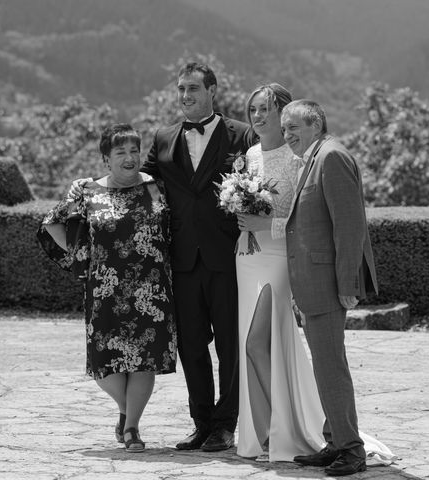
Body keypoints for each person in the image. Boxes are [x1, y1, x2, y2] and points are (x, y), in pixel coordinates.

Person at [37, 123, 177, 453]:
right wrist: (80, 257)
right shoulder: (86, 191)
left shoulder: (157, 187)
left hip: (151, 289)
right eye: (120, 152)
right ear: (105, 159)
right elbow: (52, 223)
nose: (129, 158)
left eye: (134, 151)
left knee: (144, 361)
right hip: (105, 291)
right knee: (105, 367)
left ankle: (131, 428)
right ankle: (126, 409)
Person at [140, 62, 257, 452]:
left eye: (193, 88)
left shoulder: (242, 135)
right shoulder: (162, 137)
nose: (185, 96)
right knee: (191, 346)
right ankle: (202, 422)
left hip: (228, 258)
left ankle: (226, 425)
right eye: (180, 89)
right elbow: (142, 182)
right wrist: (97, 186)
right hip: (182, 260)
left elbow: (260, 185)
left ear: (212, 91)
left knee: (228, 345)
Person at [280, 100, 396, 476]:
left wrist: (348, 284)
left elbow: (350, 227)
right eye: (284, 129)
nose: (287, 135)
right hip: (314, 284)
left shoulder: (331, 157)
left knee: (331, 367)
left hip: (328, 285)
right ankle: (334, 440)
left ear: (316, 125)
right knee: (326, 366)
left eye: (294, 127)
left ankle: (351, 449)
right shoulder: (314, 158)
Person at [234, 84, 325, 462]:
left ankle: (287, 426)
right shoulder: (250, 155)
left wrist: (263, 224)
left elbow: (302, 220)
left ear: (283, 115)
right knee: (251, 344)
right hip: (245, 254)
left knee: (258, 342)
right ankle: (265, 430)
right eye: (253, 109)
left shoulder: (297, 157)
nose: (257, 117)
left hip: (277, 255)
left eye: (265, 110)